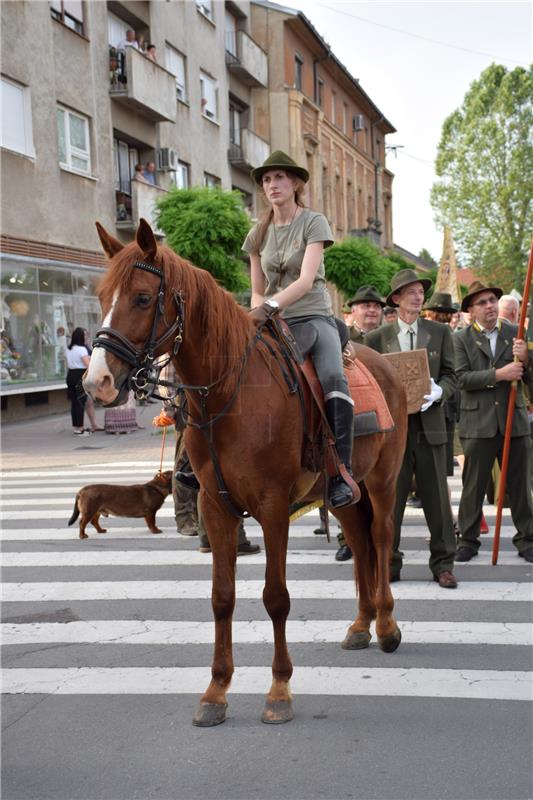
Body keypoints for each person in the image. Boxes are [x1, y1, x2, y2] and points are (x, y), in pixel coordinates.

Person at [244, 150, 359, 509]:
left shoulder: (313, 222)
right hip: (270, 320)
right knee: (234, 370)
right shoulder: (257, 233)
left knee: (331, 377)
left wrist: (267, 308)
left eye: (279, 177)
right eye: (266, 180)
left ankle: (340, 471)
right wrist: (256, 313)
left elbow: (307, 281)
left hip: (313, 317)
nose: (272, 185)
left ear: (295, 183)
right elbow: (256, 288)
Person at [365, 269, 458, 588]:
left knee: (438, 502)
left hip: (430, 426)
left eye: (420, 291)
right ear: (396, 299)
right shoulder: (376, 338)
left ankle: (443, 562)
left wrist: (440, 391)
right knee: (390, 498)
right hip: (392, 433)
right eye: (410, 292)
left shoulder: (440, 333)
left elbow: (452, 377)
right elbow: (368, 383)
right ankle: (389, 561)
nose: (418, 296)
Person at [454, 281, 533, 563]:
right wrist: (500, 374)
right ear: (471, 311)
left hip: (515, 421)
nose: (489, 306)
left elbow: (529, 377)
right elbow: (461, 379)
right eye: (482, 303)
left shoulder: (516, 333)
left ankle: (527, 538)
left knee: (521, 486)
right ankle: (468, 538)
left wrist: (527, 359)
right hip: (478, 422)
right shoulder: (460, 339)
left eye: (491, 300)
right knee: (473, 485)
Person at [334, 285, 385, 561]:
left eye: (376, 306)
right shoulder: (342, 337)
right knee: (347, 476)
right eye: (366, 305)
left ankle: (380, 536)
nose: (372, 310)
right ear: (352, 312)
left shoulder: (385, 337)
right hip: (351, 417)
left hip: (379, 415)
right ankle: (347, 539)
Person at [66, 327, 91, 436]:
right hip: (80, 376)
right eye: (84, 335)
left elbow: (67, 364)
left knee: (74, 403)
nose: (86, 337)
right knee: (81, 402)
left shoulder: (69, 349)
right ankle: (81, 428)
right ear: (81, 337)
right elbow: (88, 365)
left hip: (70, 375)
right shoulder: (82, 349)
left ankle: (76, 427)